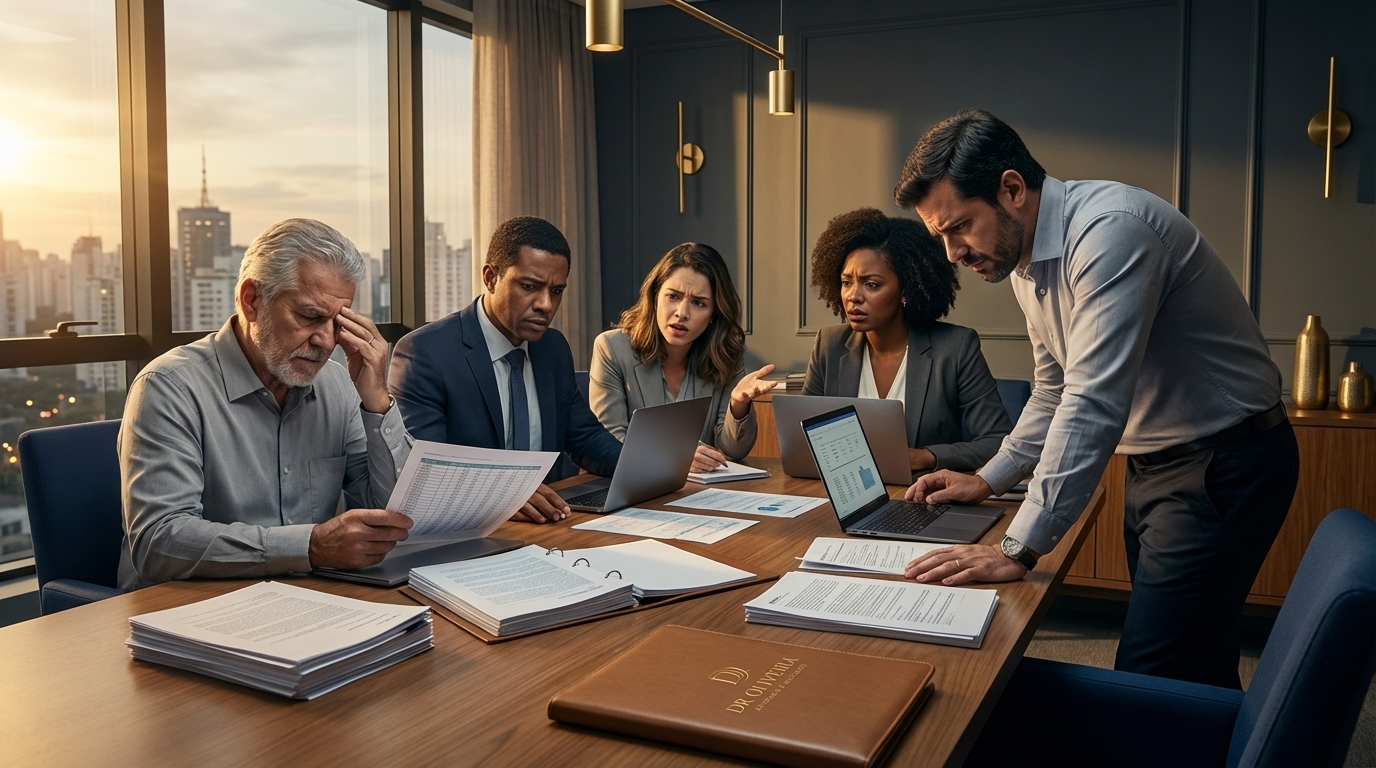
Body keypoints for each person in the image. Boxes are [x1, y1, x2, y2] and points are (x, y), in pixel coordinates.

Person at [895, 108, 1298, 687]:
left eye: (958, 227)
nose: (953, 252)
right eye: (941, 236)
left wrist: (1019, 548)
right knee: (1197, 661)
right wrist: (989, 479)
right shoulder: (1023, 260)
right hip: (1159, 465)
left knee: (1151, 675)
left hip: (1223, 465)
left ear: (1011, 189)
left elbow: (1092, 399)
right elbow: (1054, 386)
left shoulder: (1111, 231)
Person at [119, 218, 414, 590]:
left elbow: (393, 513)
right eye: (309, 316)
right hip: (185, 609)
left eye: (338, 322)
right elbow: (159, 542)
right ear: (252, 300)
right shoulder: (169, 387)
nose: (325, 340)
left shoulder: (338, 385)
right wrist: (310, 547)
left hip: (307, 599)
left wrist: (376, 402)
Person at [389, 216, 621, 525]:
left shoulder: (552, 348)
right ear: (491, 277)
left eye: (556, 291)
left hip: (548, 528)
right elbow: (430, 473)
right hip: (466, 533)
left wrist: (648, 465)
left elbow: (584, 437)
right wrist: (507, 493)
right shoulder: (425, 354)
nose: (545, 305)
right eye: (529, 286)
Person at [803, 207, 1012, 473]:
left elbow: (998, 443)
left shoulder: (956, 348)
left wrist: (926, 457)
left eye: (872, 284)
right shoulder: (828, 345)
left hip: (923, 498)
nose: (853, 296)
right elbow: (805, 436)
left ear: (906, 290)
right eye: (847, 282)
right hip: (848, 494)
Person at [589, 243, 776, 471]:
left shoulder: (725, 354)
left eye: (698, 303)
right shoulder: (612, 348)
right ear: (655, 296)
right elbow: (609, 442)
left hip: (700, 493)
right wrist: (676, 457)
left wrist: (738, 405)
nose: (682, 313)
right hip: (634, 487)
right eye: (673, 296)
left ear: (714, 314)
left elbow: (733, 451)